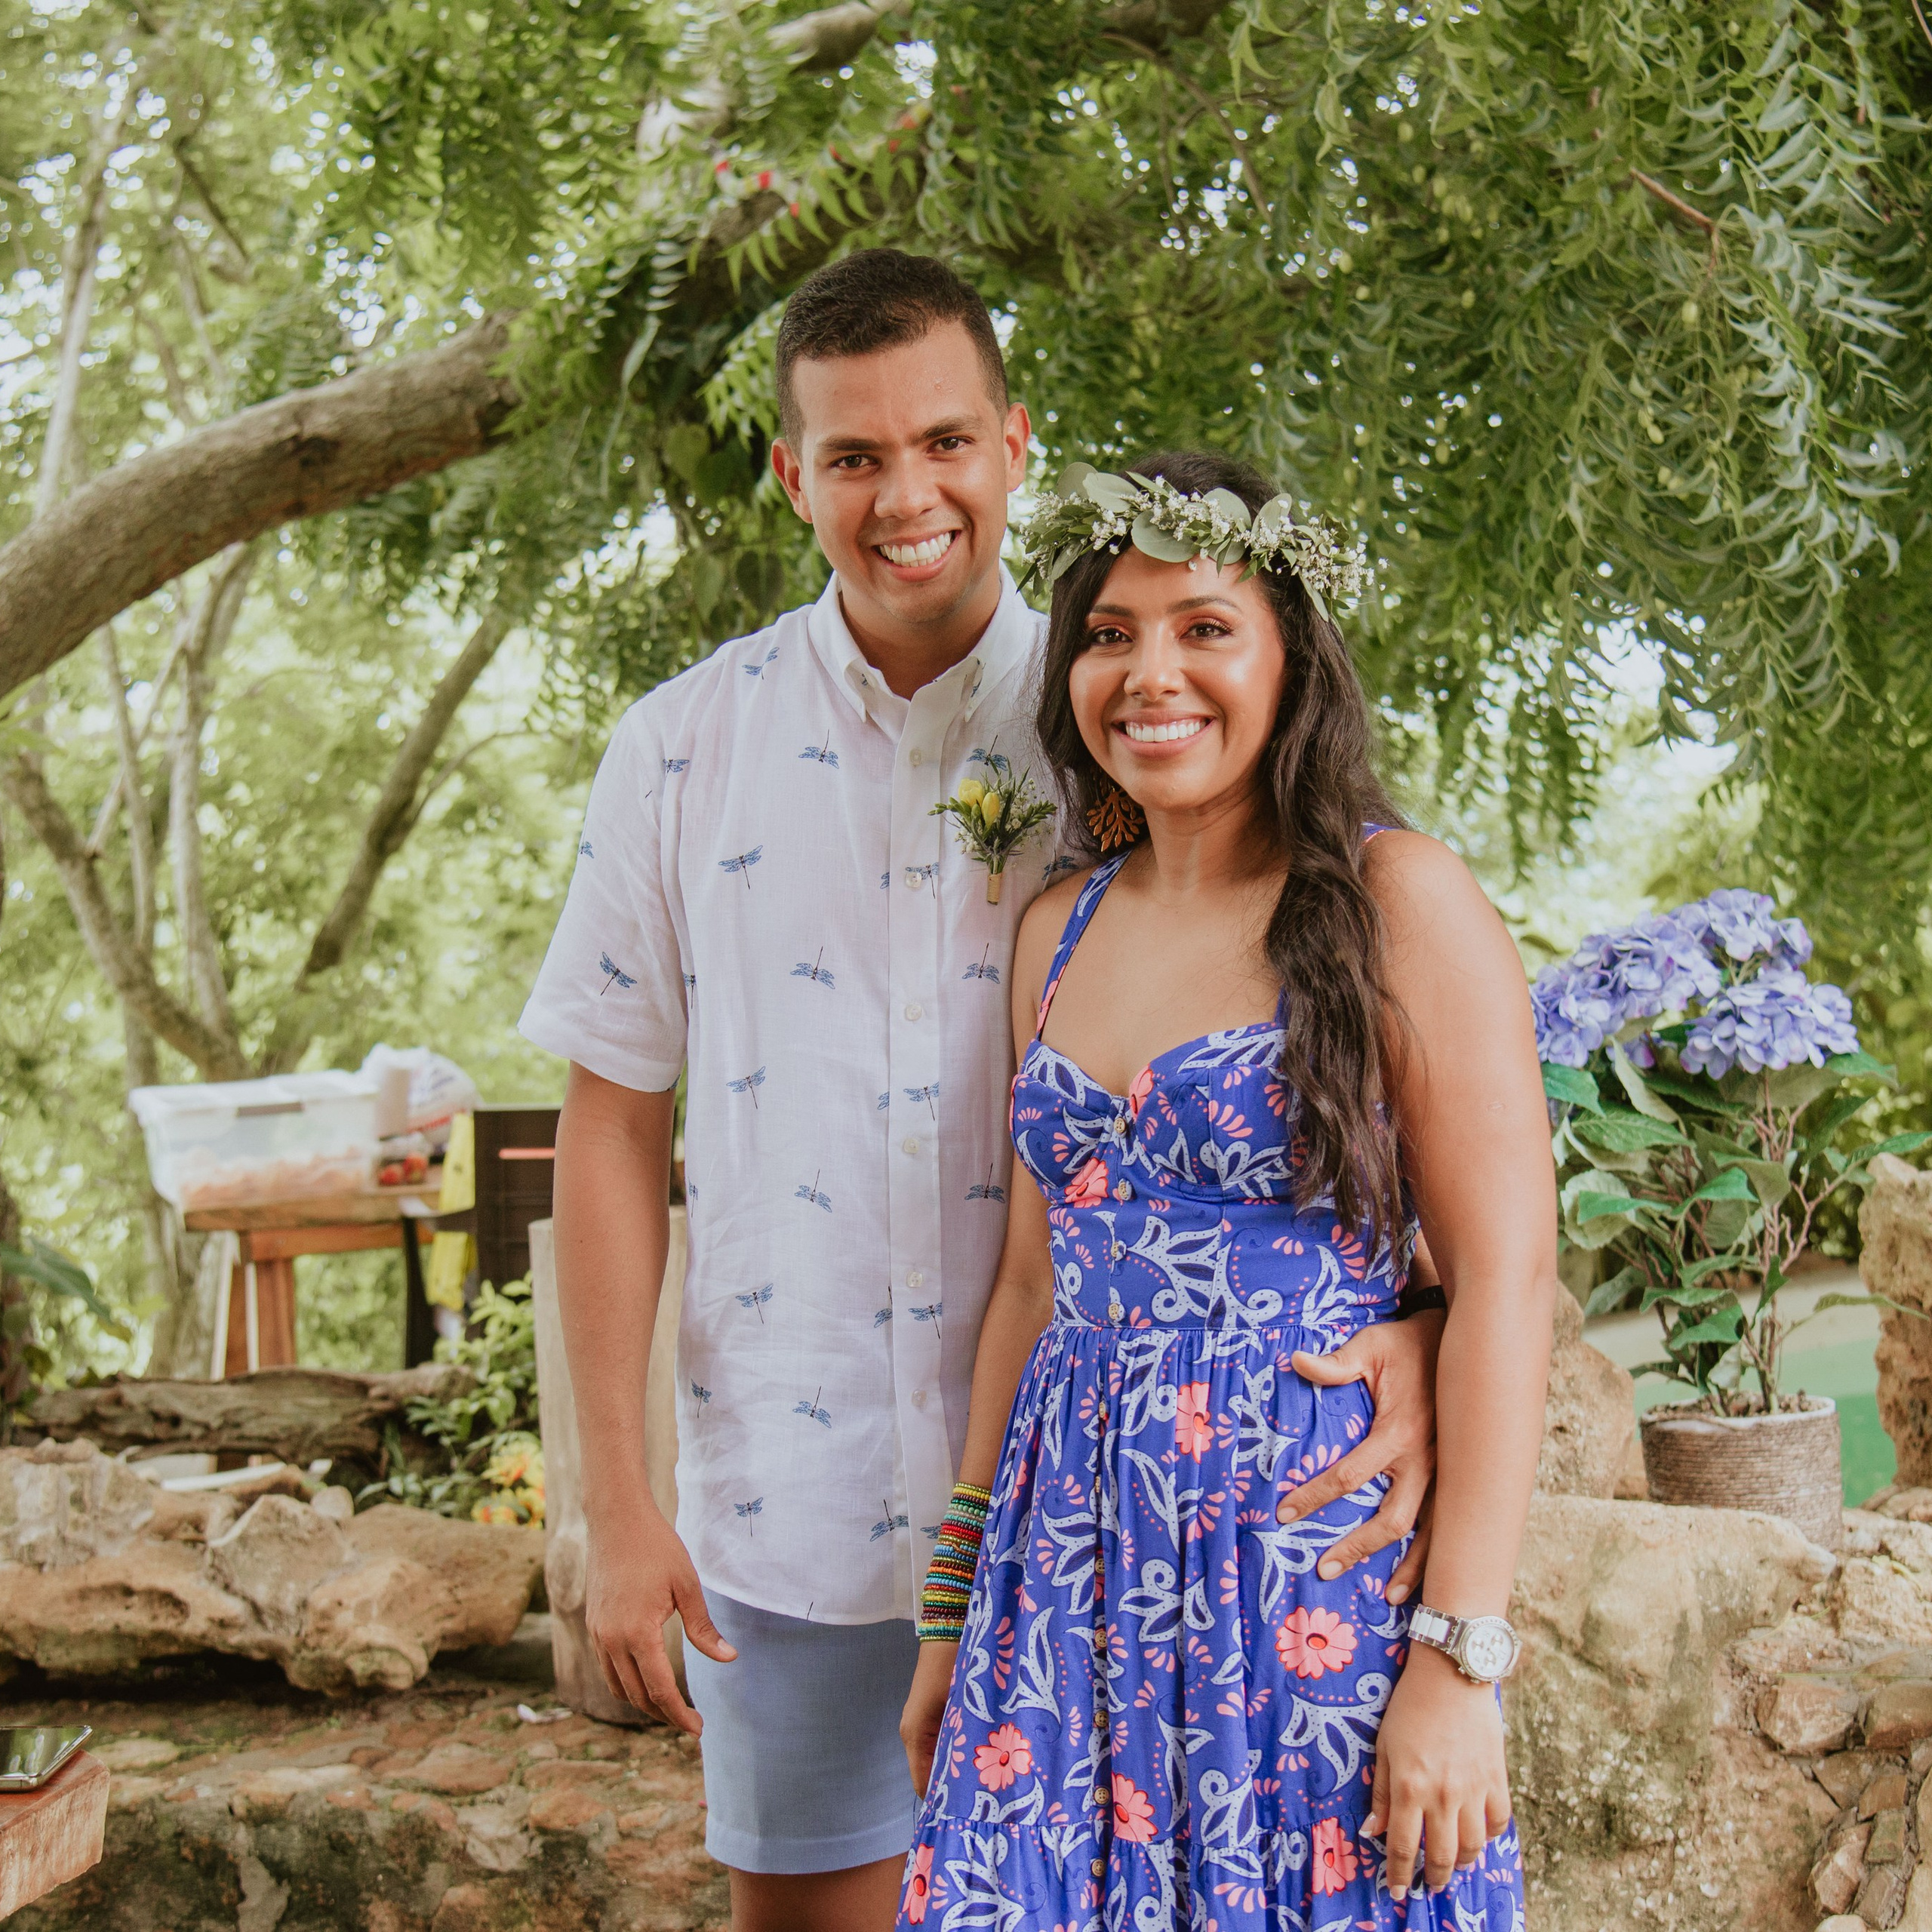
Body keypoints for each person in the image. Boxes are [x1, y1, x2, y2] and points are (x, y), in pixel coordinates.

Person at [520, 254, 1449, 1932]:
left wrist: (1427, 1324)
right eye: (854, 456)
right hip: (787, 1513)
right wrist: (617, 1496)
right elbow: (611, 1129)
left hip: (1111, 1521)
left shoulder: (1133, 711)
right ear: (792, 475)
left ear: (1012, 446)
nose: (906, 492)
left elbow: (1357, 1034)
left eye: (943, 440)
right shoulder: (675, 751)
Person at [895, 452, 1555, 1931]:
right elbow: (1025, 1284)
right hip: (1061, 1587)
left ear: (1288, 658)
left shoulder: (1400, 902)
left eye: (1202, 626)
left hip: (1305, 1575)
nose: (1148, 672)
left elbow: (1506, 1275)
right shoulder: (1051, 928)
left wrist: (1457, 1660)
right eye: (1110, 633)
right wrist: (952, 1616)